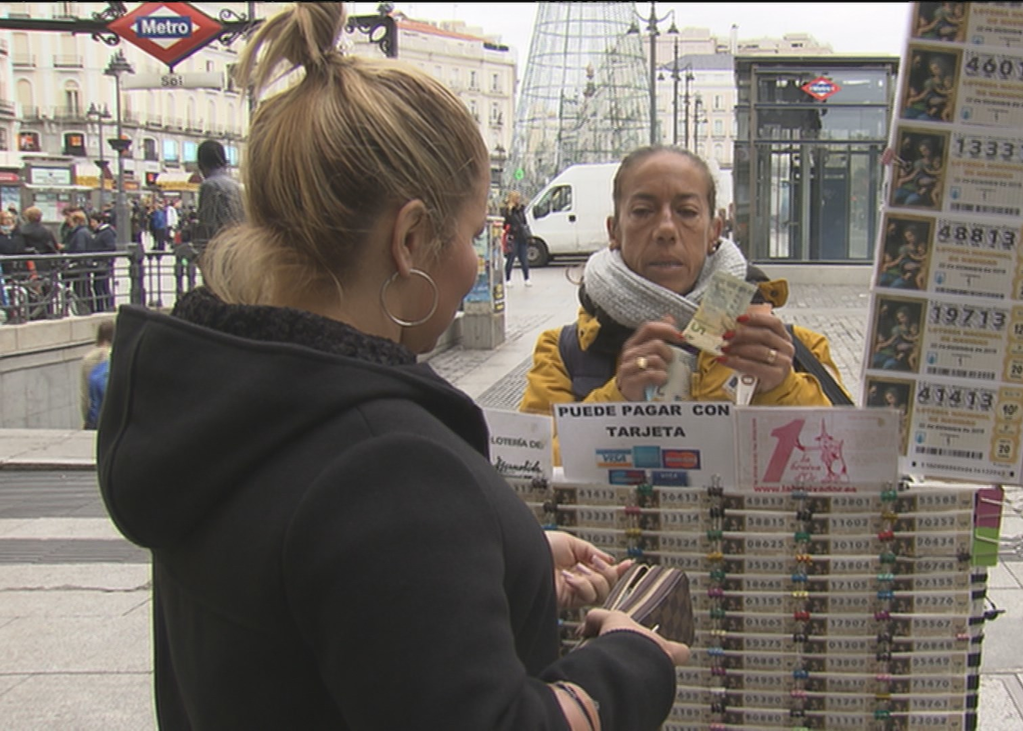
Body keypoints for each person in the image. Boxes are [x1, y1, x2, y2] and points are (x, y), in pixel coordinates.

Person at [94, 5, 685, 730]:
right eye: (471, 235)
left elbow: (319, 591)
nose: (476, 263)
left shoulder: (222, 406)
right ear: (409, 239)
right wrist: (628, 662)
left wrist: (508, 562)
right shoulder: (388, 464)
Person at [520, 145, 848, 419]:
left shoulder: (794, 348)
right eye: (643, 211)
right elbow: (531, 466)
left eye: (687, 212)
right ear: (614, 231)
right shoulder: (564, 353)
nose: (666, 229)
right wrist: (616, 399)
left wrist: (783, 389)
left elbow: (847, 455)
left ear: (714, 232)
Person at [194, 138, 245, 273]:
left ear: (201, 163)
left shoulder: (209, 186)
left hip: (219, 253)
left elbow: (208, 224)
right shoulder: (235, 185)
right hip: (239, 249)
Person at [80, 320, 114, 429]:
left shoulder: (87, 359)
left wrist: (87, 419)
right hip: (111, 417)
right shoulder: (115, 356)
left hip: (95, 418)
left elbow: (84, 396)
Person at [502, 190, 532, 287]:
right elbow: (505, 224)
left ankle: (527, 278)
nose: (519, 200)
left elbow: (524, 222)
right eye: (517, 198)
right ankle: (508, 279)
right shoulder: (508, 210)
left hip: (522, 237)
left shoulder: (521, 210)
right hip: (513, 237)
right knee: (510, 259)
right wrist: (512, 227)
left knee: (524, 259)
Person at [88, 212, 117, 312]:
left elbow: (111, 247)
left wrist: (99, 254)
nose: (91, 224)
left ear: (100, 222)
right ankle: (103, 306)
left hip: (103, 263)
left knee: (102, 285)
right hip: (99, 263)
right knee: (99, 285)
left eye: (93, 222)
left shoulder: (106, 233)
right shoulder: (99, 232)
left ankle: (106, 306)